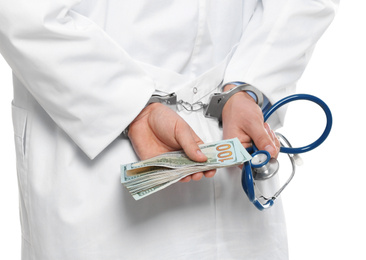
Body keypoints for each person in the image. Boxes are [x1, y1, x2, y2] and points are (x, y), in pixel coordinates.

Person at [0, 1, 338, 259]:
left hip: (232, 143)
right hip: (94, 156)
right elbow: (22, 11)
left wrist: (249, 85)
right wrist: (127, 103)